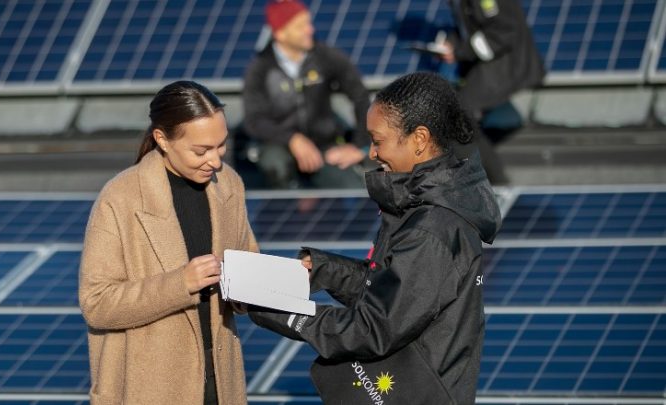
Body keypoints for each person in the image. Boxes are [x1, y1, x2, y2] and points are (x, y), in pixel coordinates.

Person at [248, 72, 502, 404]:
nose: (371, 152)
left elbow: (373, 328)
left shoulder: (433, 229)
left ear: (419, 139)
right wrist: (323, 269)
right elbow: (393, 291)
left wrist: (275, 308)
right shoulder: (423, 208)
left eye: (377, 140)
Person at [79, 81, 258, 404]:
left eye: (221, 146)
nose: (215, 161)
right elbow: (97, 304)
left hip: (221, 383)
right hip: (147, 388)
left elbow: (247, 268)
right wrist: (180, 284)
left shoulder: (229, 184)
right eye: (201, 151)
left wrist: (275, 282)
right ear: (162, 139)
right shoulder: (120, 198)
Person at [242, 0, 370, 189]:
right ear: (280, 33)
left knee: (352, 186)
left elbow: (360, 96)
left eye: (308, 23)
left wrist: (360, 146)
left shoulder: (326, 57)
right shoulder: (260, 68)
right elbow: (254, 121)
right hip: (278, 147)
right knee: (274, 165)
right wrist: (293, 139)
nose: (309, 30)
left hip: (326, 148)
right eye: (300, 26)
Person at [439, 0, 546, 185]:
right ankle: (486, 184)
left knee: (458, 117)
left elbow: (502, 31)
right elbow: (471, 28)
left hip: (507, 68)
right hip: (488, 68)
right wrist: (453, 44)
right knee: (455, 115)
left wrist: (460, 51)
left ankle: (497, 185)